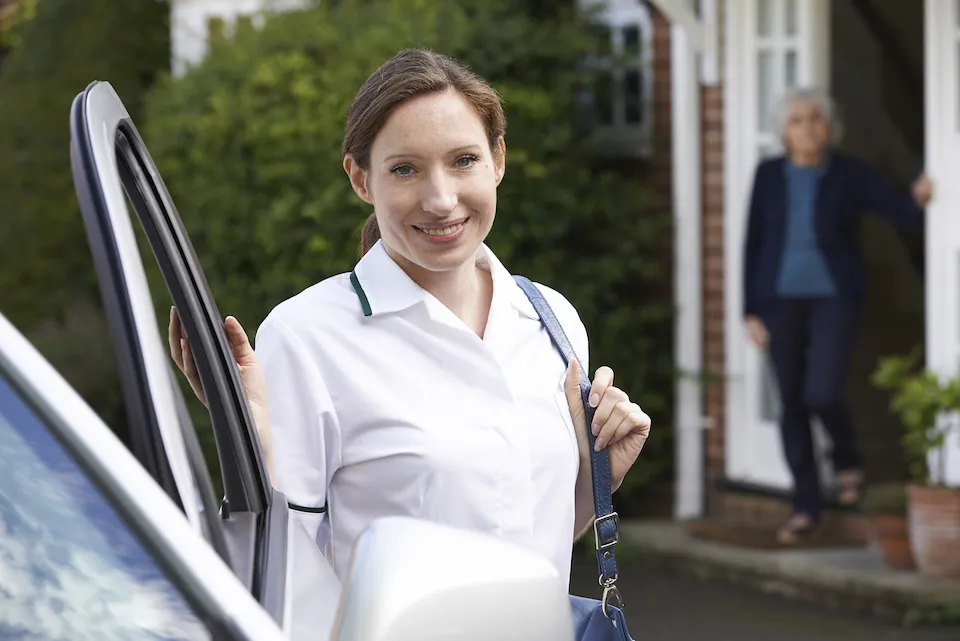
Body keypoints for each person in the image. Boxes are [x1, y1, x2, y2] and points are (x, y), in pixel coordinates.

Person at [170, 48, 651, 600]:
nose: (441, 200)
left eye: (464, 160)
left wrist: (598, 480)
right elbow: (279, 576)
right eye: (405, 169)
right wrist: (253, 448)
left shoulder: (550, 319)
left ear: (498, 160)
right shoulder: (307, 336)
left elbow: (527, 536)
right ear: (361, 179)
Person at [742, 86, 933, 545]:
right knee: (791, 400)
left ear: (830, 128)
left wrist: (924, 194)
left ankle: (847, 460)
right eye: (797, 121)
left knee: (822, 391)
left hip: (835, 298)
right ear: (783, 133)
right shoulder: (768, 175)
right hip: (778, 301)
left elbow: (899, 209)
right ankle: (805, 504)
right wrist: (749, 309)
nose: (808, 128)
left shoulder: (849, 174)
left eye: (816, 119)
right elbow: (753, 242)